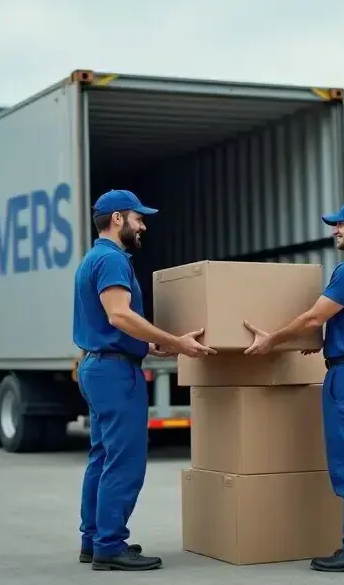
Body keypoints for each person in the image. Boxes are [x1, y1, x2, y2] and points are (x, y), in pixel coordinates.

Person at [242, 199, 344, 574]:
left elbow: (315, 316)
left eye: (341, 224)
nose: (335, 230)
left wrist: (273, 339)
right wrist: (327, 339)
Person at [73, 189, 216, 571]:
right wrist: (177, 342)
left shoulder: (95, 258)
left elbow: (110, 323)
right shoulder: (112, 260)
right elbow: (119, 315)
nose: (143, 226)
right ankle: (109, 546)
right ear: (118, 218)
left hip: (99, 365)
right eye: (138, 218)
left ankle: (94, 540)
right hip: (114, 373)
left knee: (103, 457)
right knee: (125, 460)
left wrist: (151, 345)